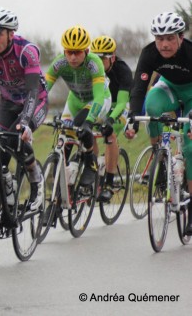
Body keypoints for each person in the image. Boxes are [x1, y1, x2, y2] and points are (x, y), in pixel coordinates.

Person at [125, 12, 192, 235]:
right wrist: (133, 117)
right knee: (151, 105)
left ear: (180, 38)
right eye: (159, 38)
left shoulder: (190, 53)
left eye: (170, 38)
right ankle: (158, 155)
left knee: (191, 146)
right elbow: (138, 88)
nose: (164, 44)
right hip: (169, 87)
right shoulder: (149, 53)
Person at [0, 7, 48, 211]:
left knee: (14, 136)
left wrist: (25, 122)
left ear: (11, 34)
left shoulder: (26, 51)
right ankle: (6, 188)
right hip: (7, 101)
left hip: (34, 101)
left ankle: (36, 181)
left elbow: (32, 91)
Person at [45, 25, 111, 187]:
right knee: (65, 136)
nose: (73, 57)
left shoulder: (94, 64)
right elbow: (42, 90)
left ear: (86, 51)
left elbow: (98, 97)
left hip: (97, 101)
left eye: (77, 52)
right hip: (74, 101)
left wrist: (89, 121)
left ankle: (90, 163)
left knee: (81, 126)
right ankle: (59, 193)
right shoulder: (60, 63)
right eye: (69, 52)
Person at [89, 35, 133, 202]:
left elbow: (122, 103)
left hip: (119, 105)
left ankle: (108, 183)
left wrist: (110, 120)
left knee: (110, 134)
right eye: (96, 57)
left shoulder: (122, 71)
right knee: (87, 131)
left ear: (112, 58)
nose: (98, 62)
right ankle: (92, 167)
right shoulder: (90, 68)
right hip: (102, 103)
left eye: (103, 58)